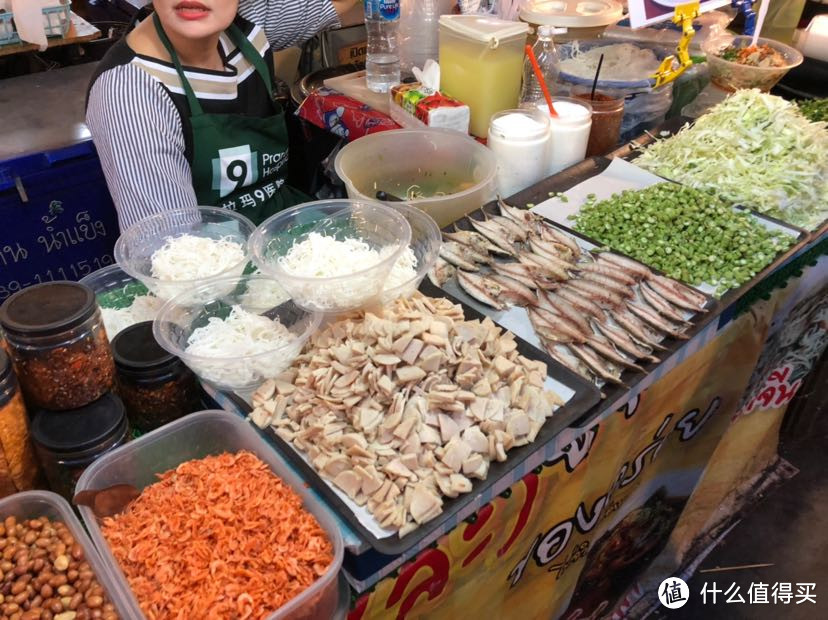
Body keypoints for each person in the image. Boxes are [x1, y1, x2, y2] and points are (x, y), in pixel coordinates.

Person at [87, 0, 362, 229]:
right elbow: (170, 253)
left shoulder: (248, 26)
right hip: (218, 270)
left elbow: (326, 6)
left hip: (286, 226)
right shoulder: (131, 92)